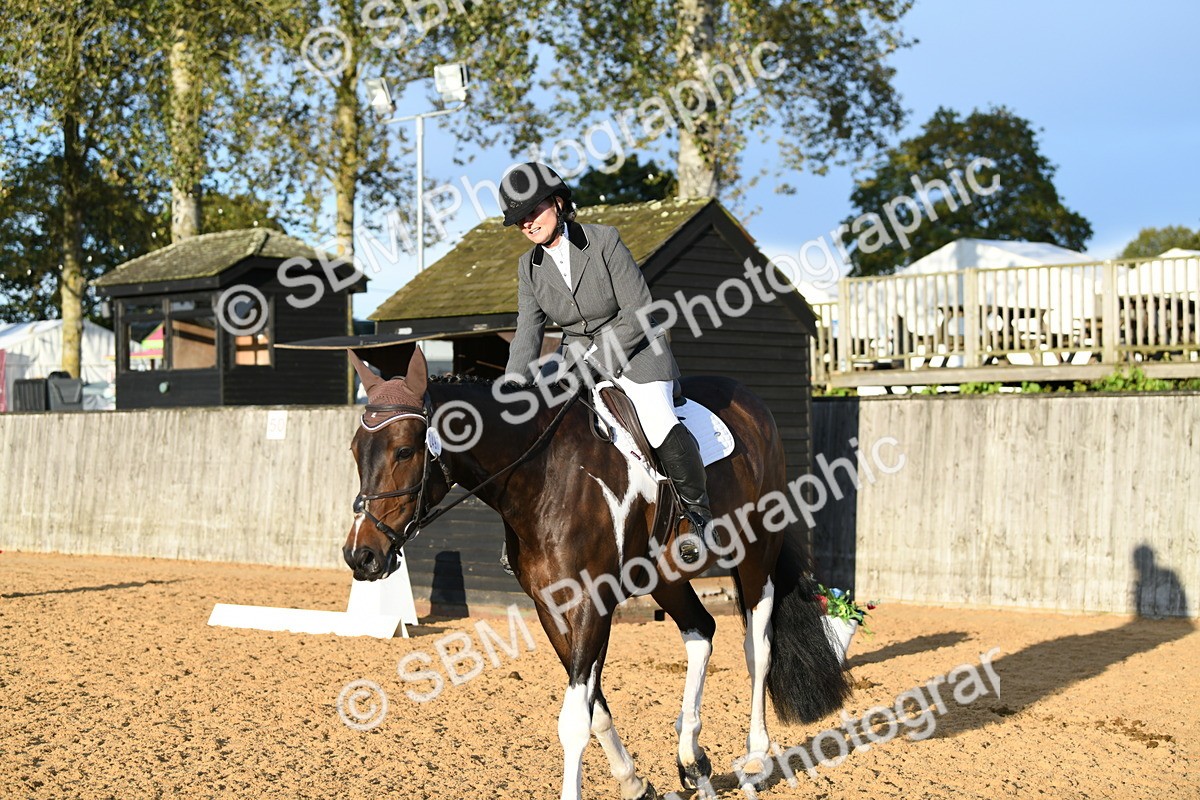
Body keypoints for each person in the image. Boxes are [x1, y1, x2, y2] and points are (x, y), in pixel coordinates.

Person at [497, 162, 710, 571]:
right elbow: (527, 333)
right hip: (575, 358)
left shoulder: (603, 241)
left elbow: (640, 312)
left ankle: (698, 516)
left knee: (657, 418)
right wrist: (511, 387)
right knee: (537, 428)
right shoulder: (529, 268)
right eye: (518, 218)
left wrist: (595, 362)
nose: (526, 223)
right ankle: (522, 531)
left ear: (558, 203)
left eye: (532, 211)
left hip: (636, 352)